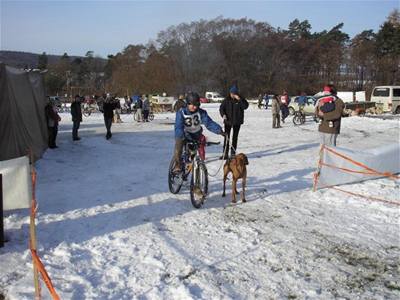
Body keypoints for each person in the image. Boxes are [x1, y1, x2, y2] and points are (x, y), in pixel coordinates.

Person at [173, 92, 224, 173]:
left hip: (196, 135)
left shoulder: (201, 112)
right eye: (192, 105)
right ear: (187, 104)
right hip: (184, 135)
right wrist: (180, 135)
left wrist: (219, 131)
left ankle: (192, 169)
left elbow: (209, 123)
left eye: (196, 105)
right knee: (178, 145)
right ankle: (177, 164)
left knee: (193, 154)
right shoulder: (181, 112)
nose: (194, 107)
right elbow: (178, 126)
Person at [219, 85, 249, 159]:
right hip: (228, 121)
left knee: (235, 137)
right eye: (232, 93)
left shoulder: (240, 99)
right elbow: (221, 109)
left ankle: (233, 153)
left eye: (234, 93)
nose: (233, 95)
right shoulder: (226, 100)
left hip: (237, 122)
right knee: (227, 137)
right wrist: (223, 115)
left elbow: (245, 107)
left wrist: (240, 99)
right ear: (230, 93)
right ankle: (225, 153)